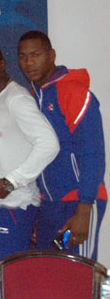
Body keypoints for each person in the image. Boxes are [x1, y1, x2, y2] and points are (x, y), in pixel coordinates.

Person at [18, 30, 106, 259]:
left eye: (35, 54)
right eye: (23, 56)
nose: (29, 62)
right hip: (50, 207)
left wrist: (84, 209)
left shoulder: (74, 92)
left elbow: (93, 152)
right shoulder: (32, 97)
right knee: (52, 270)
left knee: (78, 269)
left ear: (51, 55)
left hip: (78, 204)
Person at [0, 42, 59, 266]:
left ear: (2, 65)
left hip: (15, 205)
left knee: (7, 280)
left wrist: (11, 182)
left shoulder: (16, 99)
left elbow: (49, 144)